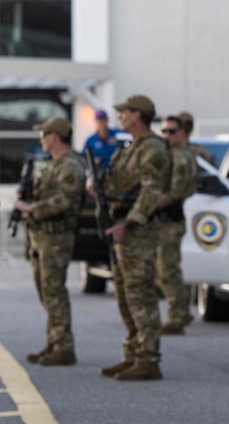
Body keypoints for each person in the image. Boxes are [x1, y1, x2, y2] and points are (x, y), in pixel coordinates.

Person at [90, 95, 172, 381]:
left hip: (138, 230)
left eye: (124, 112)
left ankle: (148, 359)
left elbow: (151, 192)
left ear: (137, 115)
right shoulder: (129, 147)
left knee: (140, 295)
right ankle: (134, 354)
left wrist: (128, 223)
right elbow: (116, 183)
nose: (120, 117)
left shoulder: (152, 148)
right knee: (125, 295)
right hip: (122, 228)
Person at [14, 117, 86, 366]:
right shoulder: (52, 165)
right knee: (46, 291)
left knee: (54, 290)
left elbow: (63, 200)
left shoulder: (71, 166)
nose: (41, 140)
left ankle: (64, 347)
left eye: (43, 135)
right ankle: (54, 342)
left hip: (56, 237)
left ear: (54, 136)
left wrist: (30, 208)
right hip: (41, 236)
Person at [156, 116, 199, 335]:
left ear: (182, 133)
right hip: (165, 219)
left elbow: (177, 191)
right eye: (164, 131)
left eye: (171, 131)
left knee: (167, 270)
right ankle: (182, 311)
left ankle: (177, 316)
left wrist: (151, 203)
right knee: (165, 268)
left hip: (170, 219)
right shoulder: (171, 154)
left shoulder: (181, 157)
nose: (167, 135)